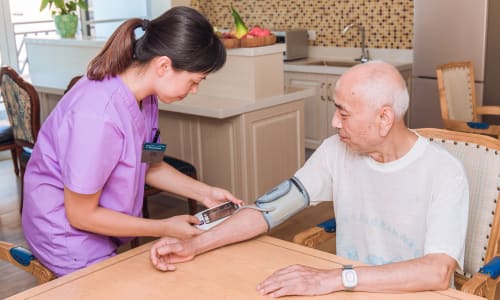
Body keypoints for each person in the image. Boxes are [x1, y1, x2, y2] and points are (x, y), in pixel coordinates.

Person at [149, 61, 469, 297]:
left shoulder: (444, 171)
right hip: (352, 289)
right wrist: (195, 245)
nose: (333, 122)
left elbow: (437, 272)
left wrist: (335, 278)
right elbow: (267, 209)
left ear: (384, 118)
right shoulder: (335, 151)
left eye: (343, 114)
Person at [22, 6, 242, 277]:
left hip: (99, 230)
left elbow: (151, 163)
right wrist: (164, 227)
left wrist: (205, 193)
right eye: (194, 81)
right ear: (163, 65)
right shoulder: (97, 116)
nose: (194, 90)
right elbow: (81, 215)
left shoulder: (146, 97)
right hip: (65, 235)